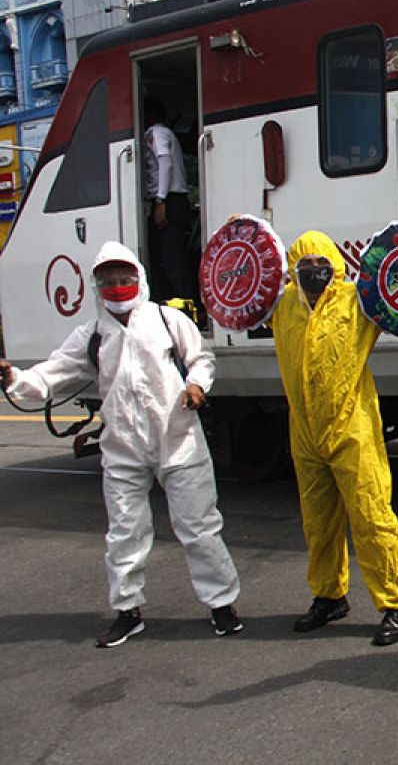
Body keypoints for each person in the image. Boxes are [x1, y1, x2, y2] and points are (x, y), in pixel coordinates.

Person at [0, 242, 242, 647]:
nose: (116, 287)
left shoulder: (167, 319)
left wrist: (197, 385)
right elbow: (51, 375)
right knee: (124, 533)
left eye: (124, 279)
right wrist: (15, 380)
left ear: (139, 278)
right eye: (108, 281)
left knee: (198, 526)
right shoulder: (92, 334)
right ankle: (127, 611)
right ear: (97, 285)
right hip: (123, 448)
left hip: (177, 439)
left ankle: (222, 605)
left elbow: (202, 357)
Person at [270, 230, 398, 646]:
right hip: (305, 431)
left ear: (336, 266)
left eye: (323, 265)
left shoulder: (358, 301)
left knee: (371, 513)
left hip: (352, 427)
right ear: (294, 272)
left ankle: (395, 605)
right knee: (318, 520)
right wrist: (236, 239)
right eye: (306, 266)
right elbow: (237, 300)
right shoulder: (283, 308)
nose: (315, 273)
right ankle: (329, 596)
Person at [143, 97, 196, 303]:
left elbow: (164, 164)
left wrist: (160, 200)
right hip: (176, 200)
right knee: (173, 256)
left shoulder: (156, 133)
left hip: (170, 201)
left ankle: (184, 302)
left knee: (171, 258)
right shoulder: (168, 133)